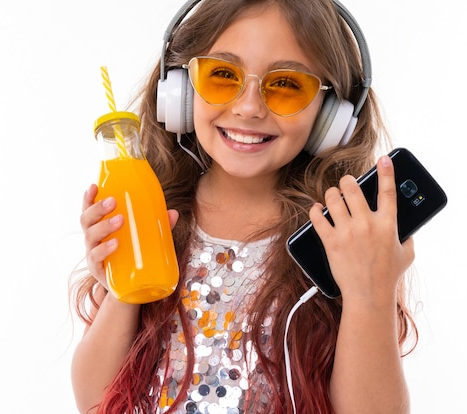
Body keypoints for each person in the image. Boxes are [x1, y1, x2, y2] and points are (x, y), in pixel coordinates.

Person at [70, 0, 418, 412]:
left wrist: (369, 296)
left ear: (332, 115)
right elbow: (96, 401)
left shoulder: (339, 238)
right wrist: (124, 284)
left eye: (287, 84)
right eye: (222, 75)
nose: (249, 107)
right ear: (180, 88)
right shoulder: (157, 216)